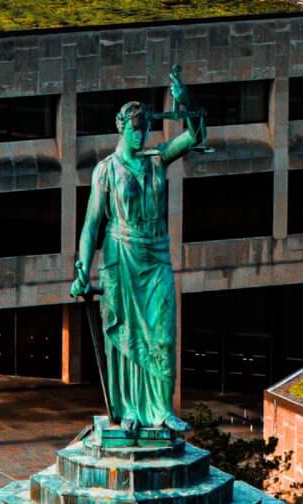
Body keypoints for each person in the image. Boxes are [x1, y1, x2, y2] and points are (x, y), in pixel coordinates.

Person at [71, 68, 206, 433]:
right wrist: (81, 269)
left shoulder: (158, 159)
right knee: (127, 335)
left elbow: (194, 135)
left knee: (163, 334)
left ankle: (162, 408)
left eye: (145, 126)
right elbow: (91, 225)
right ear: (121, 127)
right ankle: (130, 408)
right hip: (121, 256)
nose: (140, 132)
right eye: (134, 126)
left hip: (156, 254)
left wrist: (185, 101)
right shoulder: (106, 171)